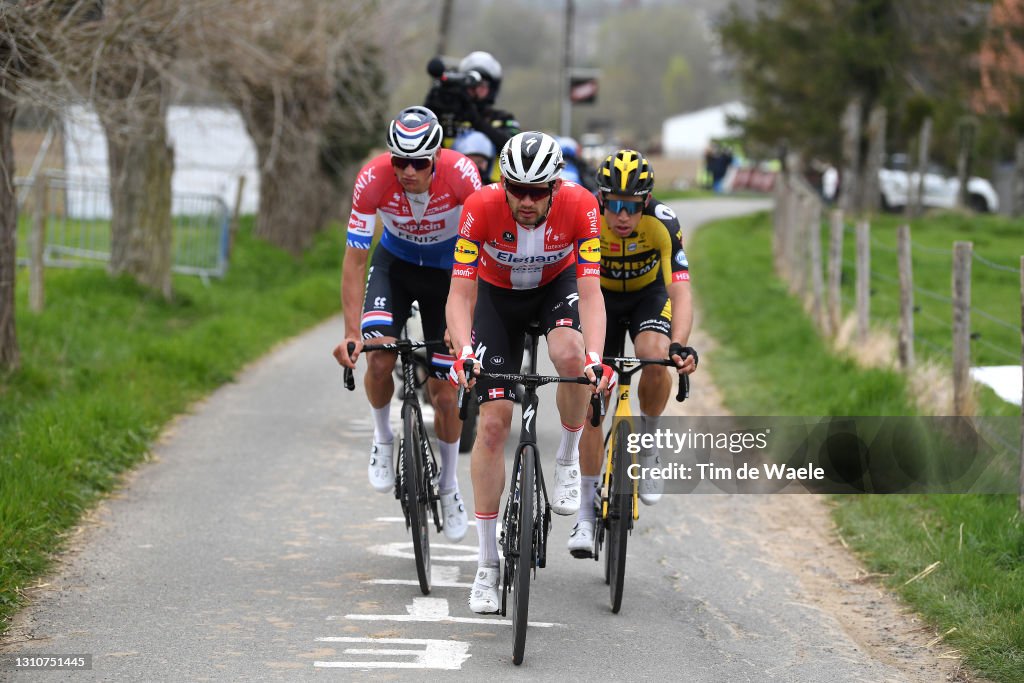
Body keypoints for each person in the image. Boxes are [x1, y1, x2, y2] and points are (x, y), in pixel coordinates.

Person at [445, 131, 612, 613]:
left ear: (555, 189)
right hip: (498, 301)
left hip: (554, 290)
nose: (525, 200)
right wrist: (464, 351)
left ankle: (564, 458)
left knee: (570, 356)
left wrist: (596, 355)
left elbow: (593, 294)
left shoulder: (581, 207)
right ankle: (486, 566)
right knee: (494, 423)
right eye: (515, 188)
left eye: (537, 192)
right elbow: (459, 294)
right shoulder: (479, 206)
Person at [332, 106, 483, 543]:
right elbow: (355, 259)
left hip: (447, 273)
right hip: (394, 265)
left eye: (419, 162)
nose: (409, 171)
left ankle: (451, 484)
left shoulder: (462, 175)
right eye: (400, 160)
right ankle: (382, 438)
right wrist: (350, 331)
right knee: (378, 358)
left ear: (436, 156)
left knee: (447, 387)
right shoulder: (373, 178)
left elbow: (481, 249)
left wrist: (465, 322)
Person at [567, 149, 699, 559]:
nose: (622, 216)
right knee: (594, 391)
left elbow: (679, 288)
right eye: (614, 205)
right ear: (601, 199)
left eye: (633, 206)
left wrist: (679, 344)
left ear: (646, 202)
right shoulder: (586, 216)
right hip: (599, 298)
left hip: (646, 296)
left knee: (654, 353)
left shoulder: (663, 222)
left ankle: (650, 444)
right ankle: (586, 513)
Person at [424, 50, 519, 183]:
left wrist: (475, 119)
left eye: (482, 85)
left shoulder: (503, 118)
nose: (475, 90)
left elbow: (515, 151)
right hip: (450, 188)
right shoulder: (448, 118)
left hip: (493, 189)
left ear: (492, 88)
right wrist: (431, 110)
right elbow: (425, 151)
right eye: (471, 85)